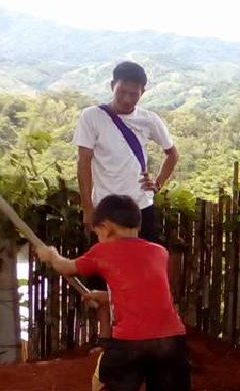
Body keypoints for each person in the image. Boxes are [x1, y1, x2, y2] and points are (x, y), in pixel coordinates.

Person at [36, 195, 205, 391]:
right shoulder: (159, 252)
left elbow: (66, 267)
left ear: (107, 227)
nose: (98, 238)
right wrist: (108, 297)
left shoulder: (103, 250)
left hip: (129, 340)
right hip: (170, 338)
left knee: (100, 385)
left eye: (98, 232)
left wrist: (50, 255)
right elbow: (143, 292)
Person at [73, 61, 179, 336]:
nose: (128, 99)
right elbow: (83, 163)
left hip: (142, 208)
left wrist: (157, 183)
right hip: (106, 212)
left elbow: (172, 154)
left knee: (147, 273)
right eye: (122, 92)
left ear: (143, 92)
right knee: (103, 273)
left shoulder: (149, 119)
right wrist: (88, 208)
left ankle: (145, 333)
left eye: (134, 94)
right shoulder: (92, 117)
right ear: (112, 86)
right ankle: (107, 337)